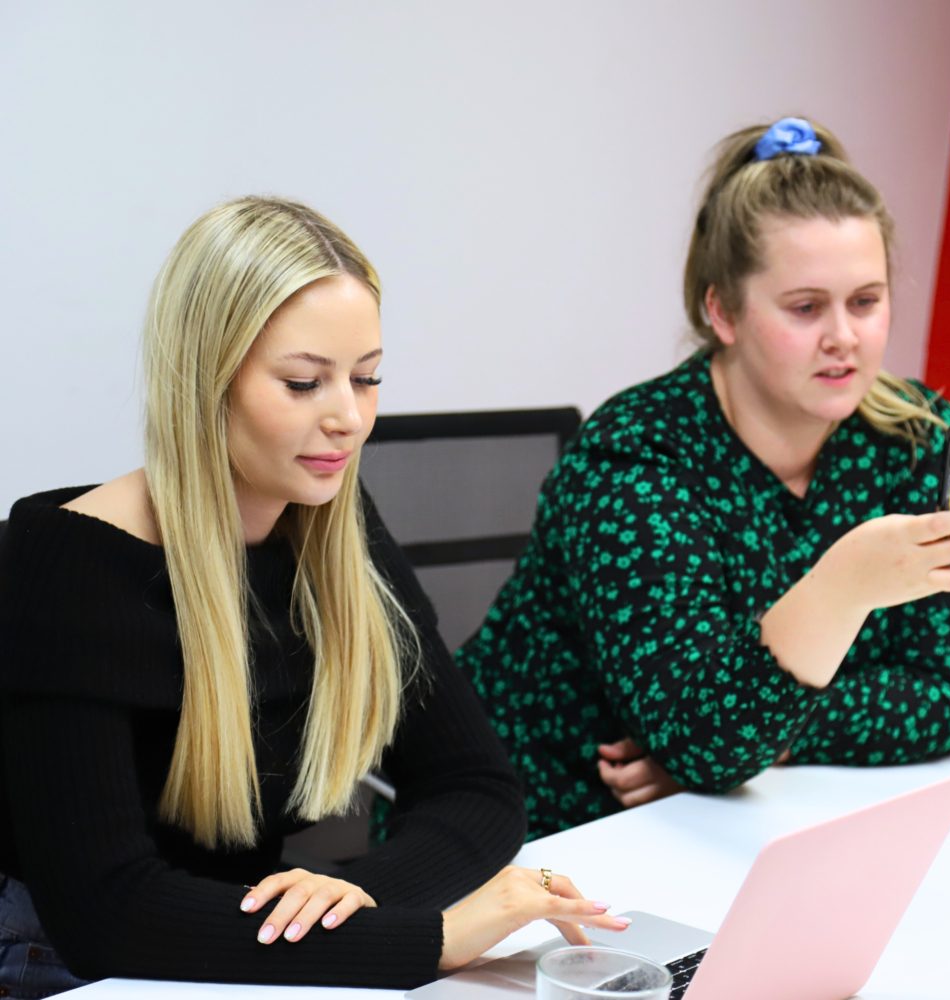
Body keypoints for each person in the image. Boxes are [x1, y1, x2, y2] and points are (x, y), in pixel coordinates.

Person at [0, 197, 631, 998]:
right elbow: (106, 912)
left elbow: (476, 784)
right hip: (62, 957)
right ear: (205, 382)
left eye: (366, 379)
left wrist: (367, 895)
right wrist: (428, 939)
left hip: (238, 936)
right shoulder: (67, 561)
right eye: (304, 382)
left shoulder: (332, 525)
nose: (349, 419)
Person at [456, 117, 950, 840]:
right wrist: (844, 587)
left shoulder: (914, 435)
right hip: (545, 836)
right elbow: (707, 744)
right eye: (806, 308)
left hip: (740, 828)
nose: (844, 336)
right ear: (723, 311)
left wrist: (772, 740)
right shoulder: (635, 458)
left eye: (865, 301)